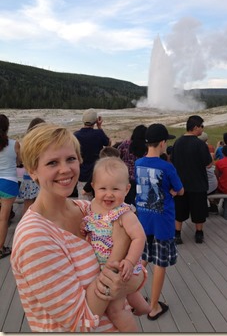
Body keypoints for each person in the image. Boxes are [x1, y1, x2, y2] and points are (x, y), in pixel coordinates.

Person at [10, 124, 146, 332]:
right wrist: (120, 248)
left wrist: (125, 278)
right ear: (32, 170)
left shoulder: (87, 210)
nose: (65, 169)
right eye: (52, 162)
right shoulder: (34, 237)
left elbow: (140, 275)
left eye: (71, 159)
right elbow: (80, 322)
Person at [81, 157, 150, 332]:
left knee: (115, 309)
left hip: (120, 266)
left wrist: (130, 261)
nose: (109, 194)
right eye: (103, 188)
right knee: (125, 291)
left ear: (126, 189)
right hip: (104, 265)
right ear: (94, 186)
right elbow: (92, 228)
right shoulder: (92, 207)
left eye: (115, 189)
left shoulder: (124, 214)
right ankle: (142, 307)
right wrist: (84, 226)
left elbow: (139, 237)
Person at [135, 123, 184, 320]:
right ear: (163, 143)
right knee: (160, 264)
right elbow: (180, 190)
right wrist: (172, 191)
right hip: (163, 222)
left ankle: (134, 299)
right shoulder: (167, 167)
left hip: (143, 219)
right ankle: (154, 306)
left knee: (142, 259)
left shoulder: (138, 163)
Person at [171, 115, 212, 244]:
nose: (203, 129)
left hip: (181, 183)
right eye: (202, 126)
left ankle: (177, 234)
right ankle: (199, 234)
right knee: (199, 211)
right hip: (198, 183)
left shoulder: (177, 142)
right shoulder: (200, 144)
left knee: (179, 210)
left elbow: (173, 161)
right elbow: (208, 163)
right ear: (195, 128)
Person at [74, 108, 110, 200]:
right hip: (97, 174)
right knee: (99, 204)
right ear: (95, 121)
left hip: (82, 174)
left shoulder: (76, 135)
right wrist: (99, 127)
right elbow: (108, 144)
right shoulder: (98, 134)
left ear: (83, 120)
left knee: (83, 205)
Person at [0, 114, 21, 259]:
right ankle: (0, 248)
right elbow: (20, 162)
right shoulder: (15, 144)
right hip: (8, 183)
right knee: (3, 219)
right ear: (7, 127)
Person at [18, 117, 45, 213]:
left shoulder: (26, 142)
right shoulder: (43, 143)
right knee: (42, 204)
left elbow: (21, 159)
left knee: (27, 204)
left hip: (28, 175)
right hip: (41, 175)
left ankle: (25, 224)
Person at [117, 125, 147, 205]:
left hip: (125, 178)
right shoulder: (146, 148)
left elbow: (117, 156)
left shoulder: (125, 144)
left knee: (125, 203)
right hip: (140, 179)